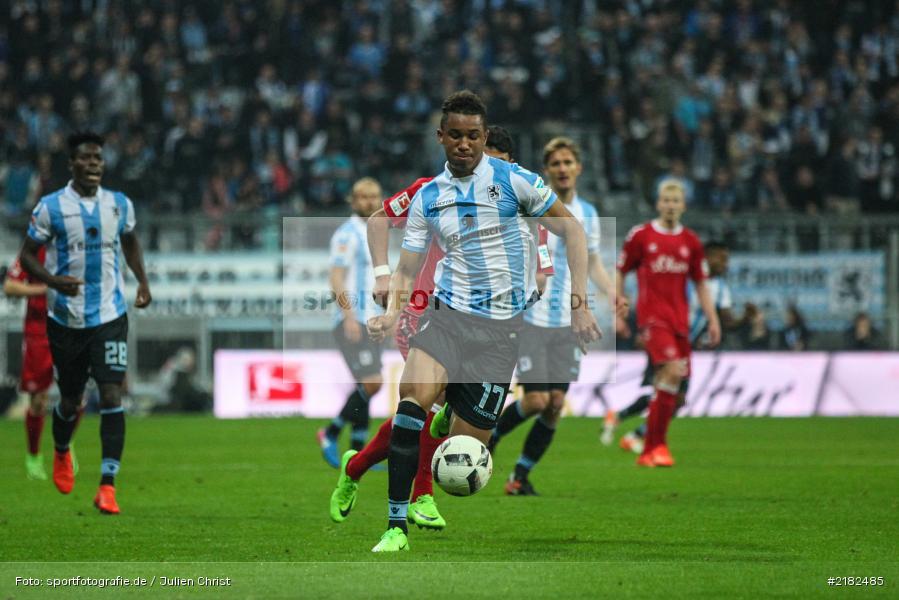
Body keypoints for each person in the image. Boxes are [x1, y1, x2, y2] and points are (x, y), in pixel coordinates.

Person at [365, 90, 599, 552]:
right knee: (410, 403)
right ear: (441, 137)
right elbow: (409, 268)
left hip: (500, 334)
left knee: (467, 452)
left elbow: (572, 229)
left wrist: (579, 303)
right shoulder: (429, 196)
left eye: (473, 136)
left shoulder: (515, 181)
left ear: (484, 136)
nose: (465, 144)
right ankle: (395, 527)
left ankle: (453, 407)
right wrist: (391, 311)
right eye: (455, 135)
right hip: (447, 319)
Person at [328, 125, 553, 530]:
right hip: (426, 312)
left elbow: (541, 275)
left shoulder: (521, 204)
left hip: (488, 327)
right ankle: (421, 495)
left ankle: (356, 466)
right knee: (427, 404)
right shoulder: (432, 190)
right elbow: (379, 221)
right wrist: (384, 278)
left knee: (440, 417)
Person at [18, 131, 152, 514]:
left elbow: (130, 241)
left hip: (110, 316)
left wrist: (142, 280)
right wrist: (53, 281)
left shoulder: (119, 205)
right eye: (87, 158)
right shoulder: (51, 207)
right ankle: (61, 449)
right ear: (71, 165)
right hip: (66, 319)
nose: (94, 164)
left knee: (112, 395)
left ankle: (107, 486)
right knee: (71, 400)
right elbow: (26, 256)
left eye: (99, 159)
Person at [487, 136, 625, 496]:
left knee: (556, 405)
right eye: (556, 164)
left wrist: (612, 294)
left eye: (568, 163)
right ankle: (490, 436)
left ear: (578, 168)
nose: (562, 169)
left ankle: (519, 476)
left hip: (569, 322)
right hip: (532, 317)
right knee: (535, 401)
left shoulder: (589, 214)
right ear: (547, 170)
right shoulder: (533, 202)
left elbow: (592, 259)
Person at [614, 179, 720, 468]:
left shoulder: (691, 242)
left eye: (676, 201)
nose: (671, 206)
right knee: (671, 372)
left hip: (679, 324)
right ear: (658, 203)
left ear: (683, 206)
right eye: (666, 200)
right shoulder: (642, 236)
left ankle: (650, 447)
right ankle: (655, 446)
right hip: (653, 321)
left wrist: (713, 320)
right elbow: (621, 271)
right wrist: (619, 309)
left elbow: (701, 284)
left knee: (674, 390)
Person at [605, 241, 734, 452]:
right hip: (663, 338)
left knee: (676, 399)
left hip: (685, 345)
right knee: (668, 393)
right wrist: (647, 331)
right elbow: (658, 301)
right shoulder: (684, 279)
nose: (725, 264)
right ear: (707, 257)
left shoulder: (720, 288)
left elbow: (728, 320)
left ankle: (625, 423)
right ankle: (641, 438)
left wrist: (746, 319)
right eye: (722, 258)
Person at [317, 177, 384, 466]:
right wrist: (349, 317)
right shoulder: (347, 234)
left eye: (374, 196)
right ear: (353, 201)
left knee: (365, 386)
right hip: (352, 319)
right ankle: (330, 433)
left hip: (370, 320)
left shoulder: (376, 233)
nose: (369, 201)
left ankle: (357, 455)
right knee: (373, 383)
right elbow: (336, 277)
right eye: (363, 197)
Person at [4, 248, 84, 480]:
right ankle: (34, 457)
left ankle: (64, 447)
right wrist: (46, 288)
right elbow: (10, 286)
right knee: (38, 400)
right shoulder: (32, 251)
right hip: (38, 332)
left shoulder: (72, 247)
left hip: (71, 327)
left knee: (77, 397)